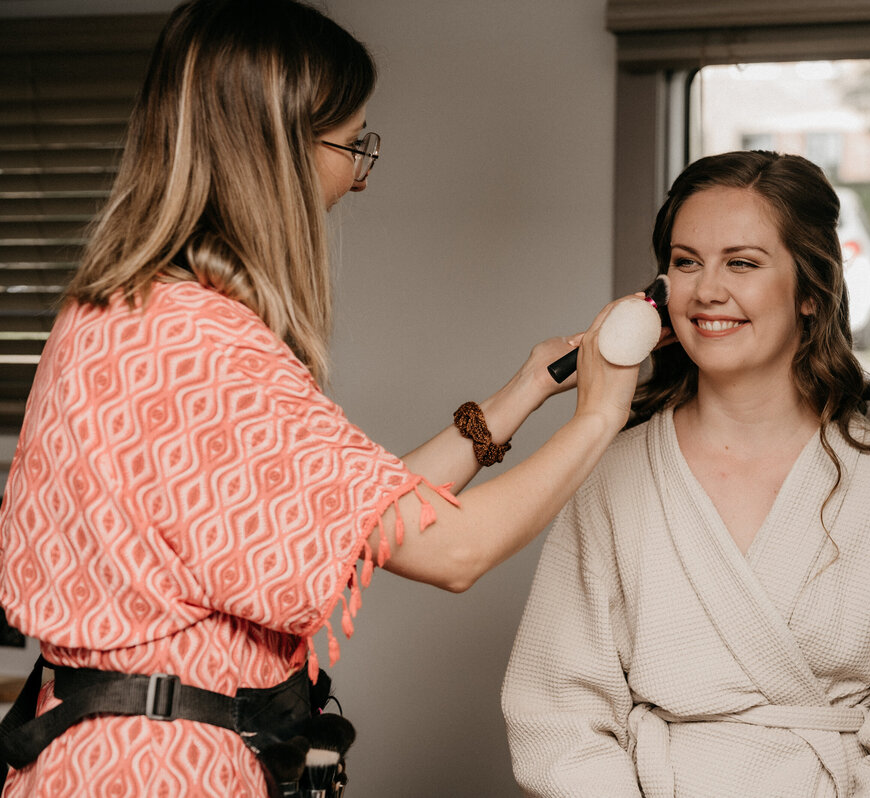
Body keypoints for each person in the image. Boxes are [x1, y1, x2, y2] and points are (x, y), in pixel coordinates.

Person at [0, 1, 641, 796]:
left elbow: (360, 522)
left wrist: (525, 391)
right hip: (155, 772)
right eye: (352, 146)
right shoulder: (203, 342)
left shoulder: (117, 313)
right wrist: (602, 417)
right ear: (276, 152)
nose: (357, 177)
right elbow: (450, 550)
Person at [502, 150, 870, 797]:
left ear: (812, 293)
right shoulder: (609, 477)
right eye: (685, 262)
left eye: (742, 262)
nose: (706, 290)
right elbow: (558, 717)